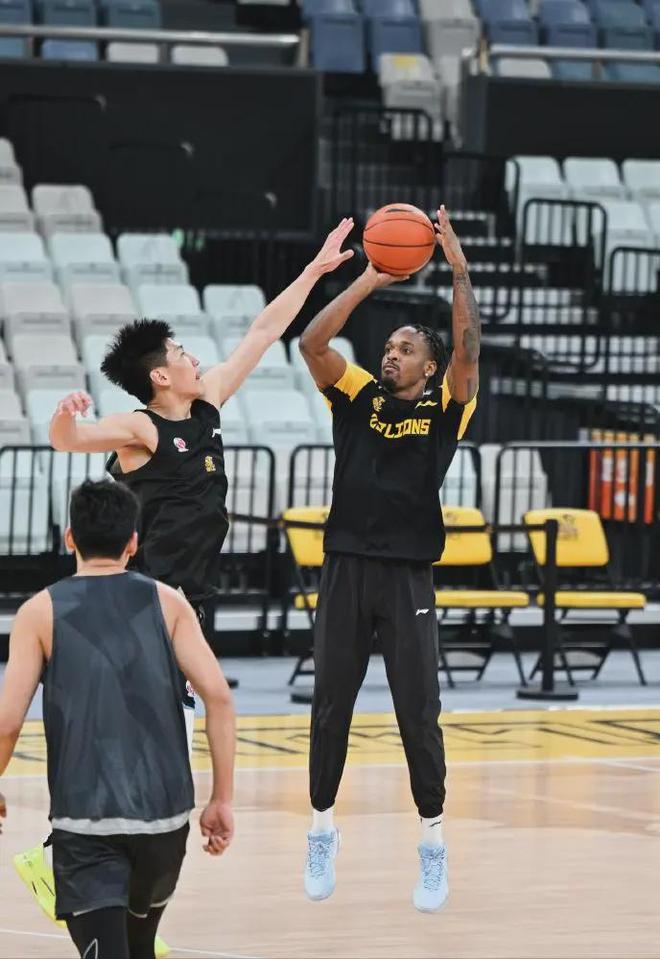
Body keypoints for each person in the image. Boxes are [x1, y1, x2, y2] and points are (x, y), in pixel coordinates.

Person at [12, 217, 355, 931]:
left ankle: (119, 892)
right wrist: (65, 417)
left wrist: (317, 270)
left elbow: (264, 329)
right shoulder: (143, 428)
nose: (193, 355)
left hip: (185, 603)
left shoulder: (209, 404)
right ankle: (67, 862)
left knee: (159, 735)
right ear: (159, 376)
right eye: (178, 351)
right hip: (133, 604)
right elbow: (71, 441)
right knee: (135, 734)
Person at [297, 206, 479, 912]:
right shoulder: (357, 396)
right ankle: (321, 828)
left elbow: (469, 354)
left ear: (429, 367)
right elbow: (313, 342)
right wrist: (370, 279)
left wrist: (458, 270)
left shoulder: (446, 410)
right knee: (329, 707)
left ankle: (432, 842)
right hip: (345, 565)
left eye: (405, 349)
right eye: (390, 346)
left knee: (418, 713)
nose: (391, 354)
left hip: (407, 574)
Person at [0, 480, 236, 959]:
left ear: (70, 538)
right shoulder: (170, 603)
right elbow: (219, 698)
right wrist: (221, 800)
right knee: (139, 948)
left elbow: (7, 724)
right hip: (165, 820)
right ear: (133, 541)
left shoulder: (39, 612)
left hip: (87, 823)